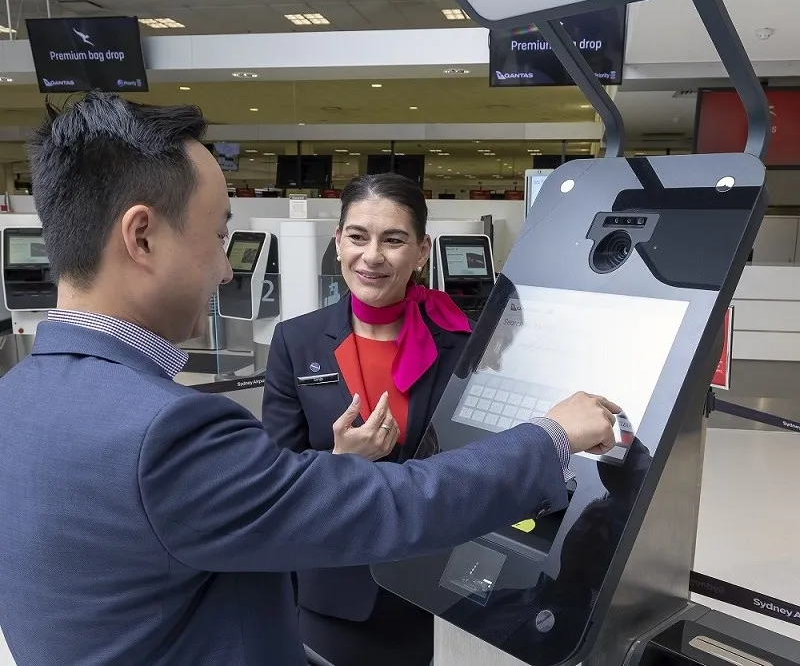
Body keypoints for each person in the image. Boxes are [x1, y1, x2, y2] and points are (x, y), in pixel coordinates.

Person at [0, 91, 619, 666]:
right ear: (142, 237)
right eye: (218, 236)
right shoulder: (165, 431)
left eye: (394, 239)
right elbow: (386, 503)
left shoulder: (17, 396)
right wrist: (551, 436)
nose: (223, 268)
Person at [262, 172, 478, 665]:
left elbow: (473, 456)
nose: (372, 256)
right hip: (331, 580)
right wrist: (341, 459)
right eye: (358, 237)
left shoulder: (458, 343)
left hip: (420, 579)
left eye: (394, 240)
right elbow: (274, 475)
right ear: (338, 242)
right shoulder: (297, 341)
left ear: (422, 251)